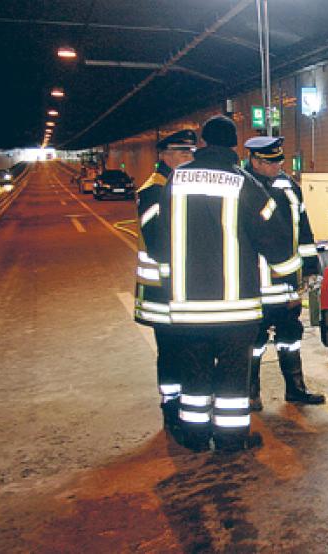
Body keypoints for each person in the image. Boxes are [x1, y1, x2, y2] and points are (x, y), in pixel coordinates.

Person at [144, 116, 300, 452]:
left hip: (187, 308)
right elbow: (273, 237)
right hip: (235, 309)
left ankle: (195, 436)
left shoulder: (175, 181)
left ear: (202, 143)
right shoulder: (243, 183)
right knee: (232, 375)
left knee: (195, 374)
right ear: (233, 145)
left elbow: (160, 237)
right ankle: (231, 439)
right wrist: (291, 273)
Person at [243, 136, 325, 410]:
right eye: (272, 162)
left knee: (290, 337)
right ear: (255, 161)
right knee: (253, 343)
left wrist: (311, 267)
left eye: (280, 160)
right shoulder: (242, 187)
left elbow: (303, 229)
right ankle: (251, 393)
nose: (279, 166)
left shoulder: (290, 187)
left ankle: (296, 389)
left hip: (286, 284)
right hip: (252, 286)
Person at [133, 129, 196, 433]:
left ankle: (183, 400)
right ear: (165, 155)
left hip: (178, 289)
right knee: (170, 350)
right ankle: (171, 405)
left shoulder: (175, 185)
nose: (189, 158)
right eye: (183, 153)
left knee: (185, 347)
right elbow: (158, 243)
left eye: (191, 153)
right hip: (160, 291)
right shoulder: (155, 189)